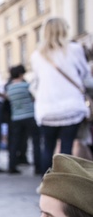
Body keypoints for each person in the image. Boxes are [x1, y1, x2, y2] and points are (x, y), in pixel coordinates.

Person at [30, 17, 92, 173]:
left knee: (48, 148)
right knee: (66, 148)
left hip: (46, 108)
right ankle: (63, 189)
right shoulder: (74, 49)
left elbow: (35, 82)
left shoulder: (37, 55)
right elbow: (86, 77)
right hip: (70, 107)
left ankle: (46, 185)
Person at [5, 64, 41, 175]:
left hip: (16, 117)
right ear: (21, 74)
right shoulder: (26, 86)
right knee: (36, 142)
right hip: (30, 116)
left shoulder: (9, 88)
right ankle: (38, 167)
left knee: (14, 142)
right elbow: (34, 97)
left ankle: (12, 166)